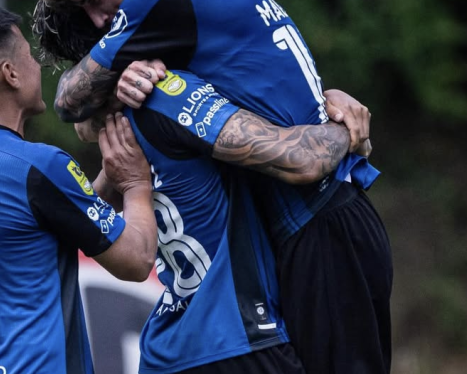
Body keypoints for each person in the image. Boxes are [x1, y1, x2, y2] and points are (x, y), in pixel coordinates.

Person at [33, 0, 392, 374]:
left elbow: (69, 101)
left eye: (94, 0)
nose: (102, 20)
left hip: (321, 227)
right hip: (321, 221)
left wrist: (344, 131)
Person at [0, 5, 157, 374]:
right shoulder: (37, 165)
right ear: (10, 74)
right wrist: (136, 184)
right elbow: (137, 261)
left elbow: (39, 224)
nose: (37, 65)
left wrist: (109, 176)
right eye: (28, 55)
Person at [71, 67, 358, 374]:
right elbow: (304, 161)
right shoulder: (177, 98)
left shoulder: (132, 122)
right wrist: (345, 125)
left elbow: (83, 126)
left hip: (165, 352)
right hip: (236, 335)